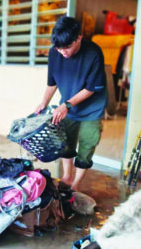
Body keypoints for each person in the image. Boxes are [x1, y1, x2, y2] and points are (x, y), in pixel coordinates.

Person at [35, 16, 108, 192]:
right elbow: (52, 82)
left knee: (87, 145)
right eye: (59, 48)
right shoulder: (55, 53)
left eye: (67, 47)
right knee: (66, 143)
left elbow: (91, 88)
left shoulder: (93, 53)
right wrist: (43, 103)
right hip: (67, 107)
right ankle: (67, 177)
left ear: (79, 38)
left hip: (92, 109)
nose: (63, 53)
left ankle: (76, 184)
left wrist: (66, 105)